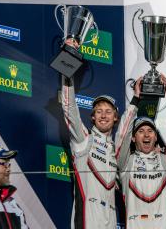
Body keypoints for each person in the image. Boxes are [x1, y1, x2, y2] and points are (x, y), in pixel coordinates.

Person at [61, 38, 119, 228]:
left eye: (108, 111)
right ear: (92, 117)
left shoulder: (116, 150)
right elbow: (69, 108)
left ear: (115, 118)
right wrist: (67, 67)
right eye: (99, 111)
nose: (103, 115)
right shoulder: (83, 138)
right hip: (87, 221)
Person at [115, 75, 166, 229]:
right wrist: (135, 99)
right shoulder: (126, 161)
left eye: (150, 131)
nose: (146, 135)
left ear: (155, 137)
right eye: (141, 131)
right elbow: (121, 135)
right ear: (133, 138)